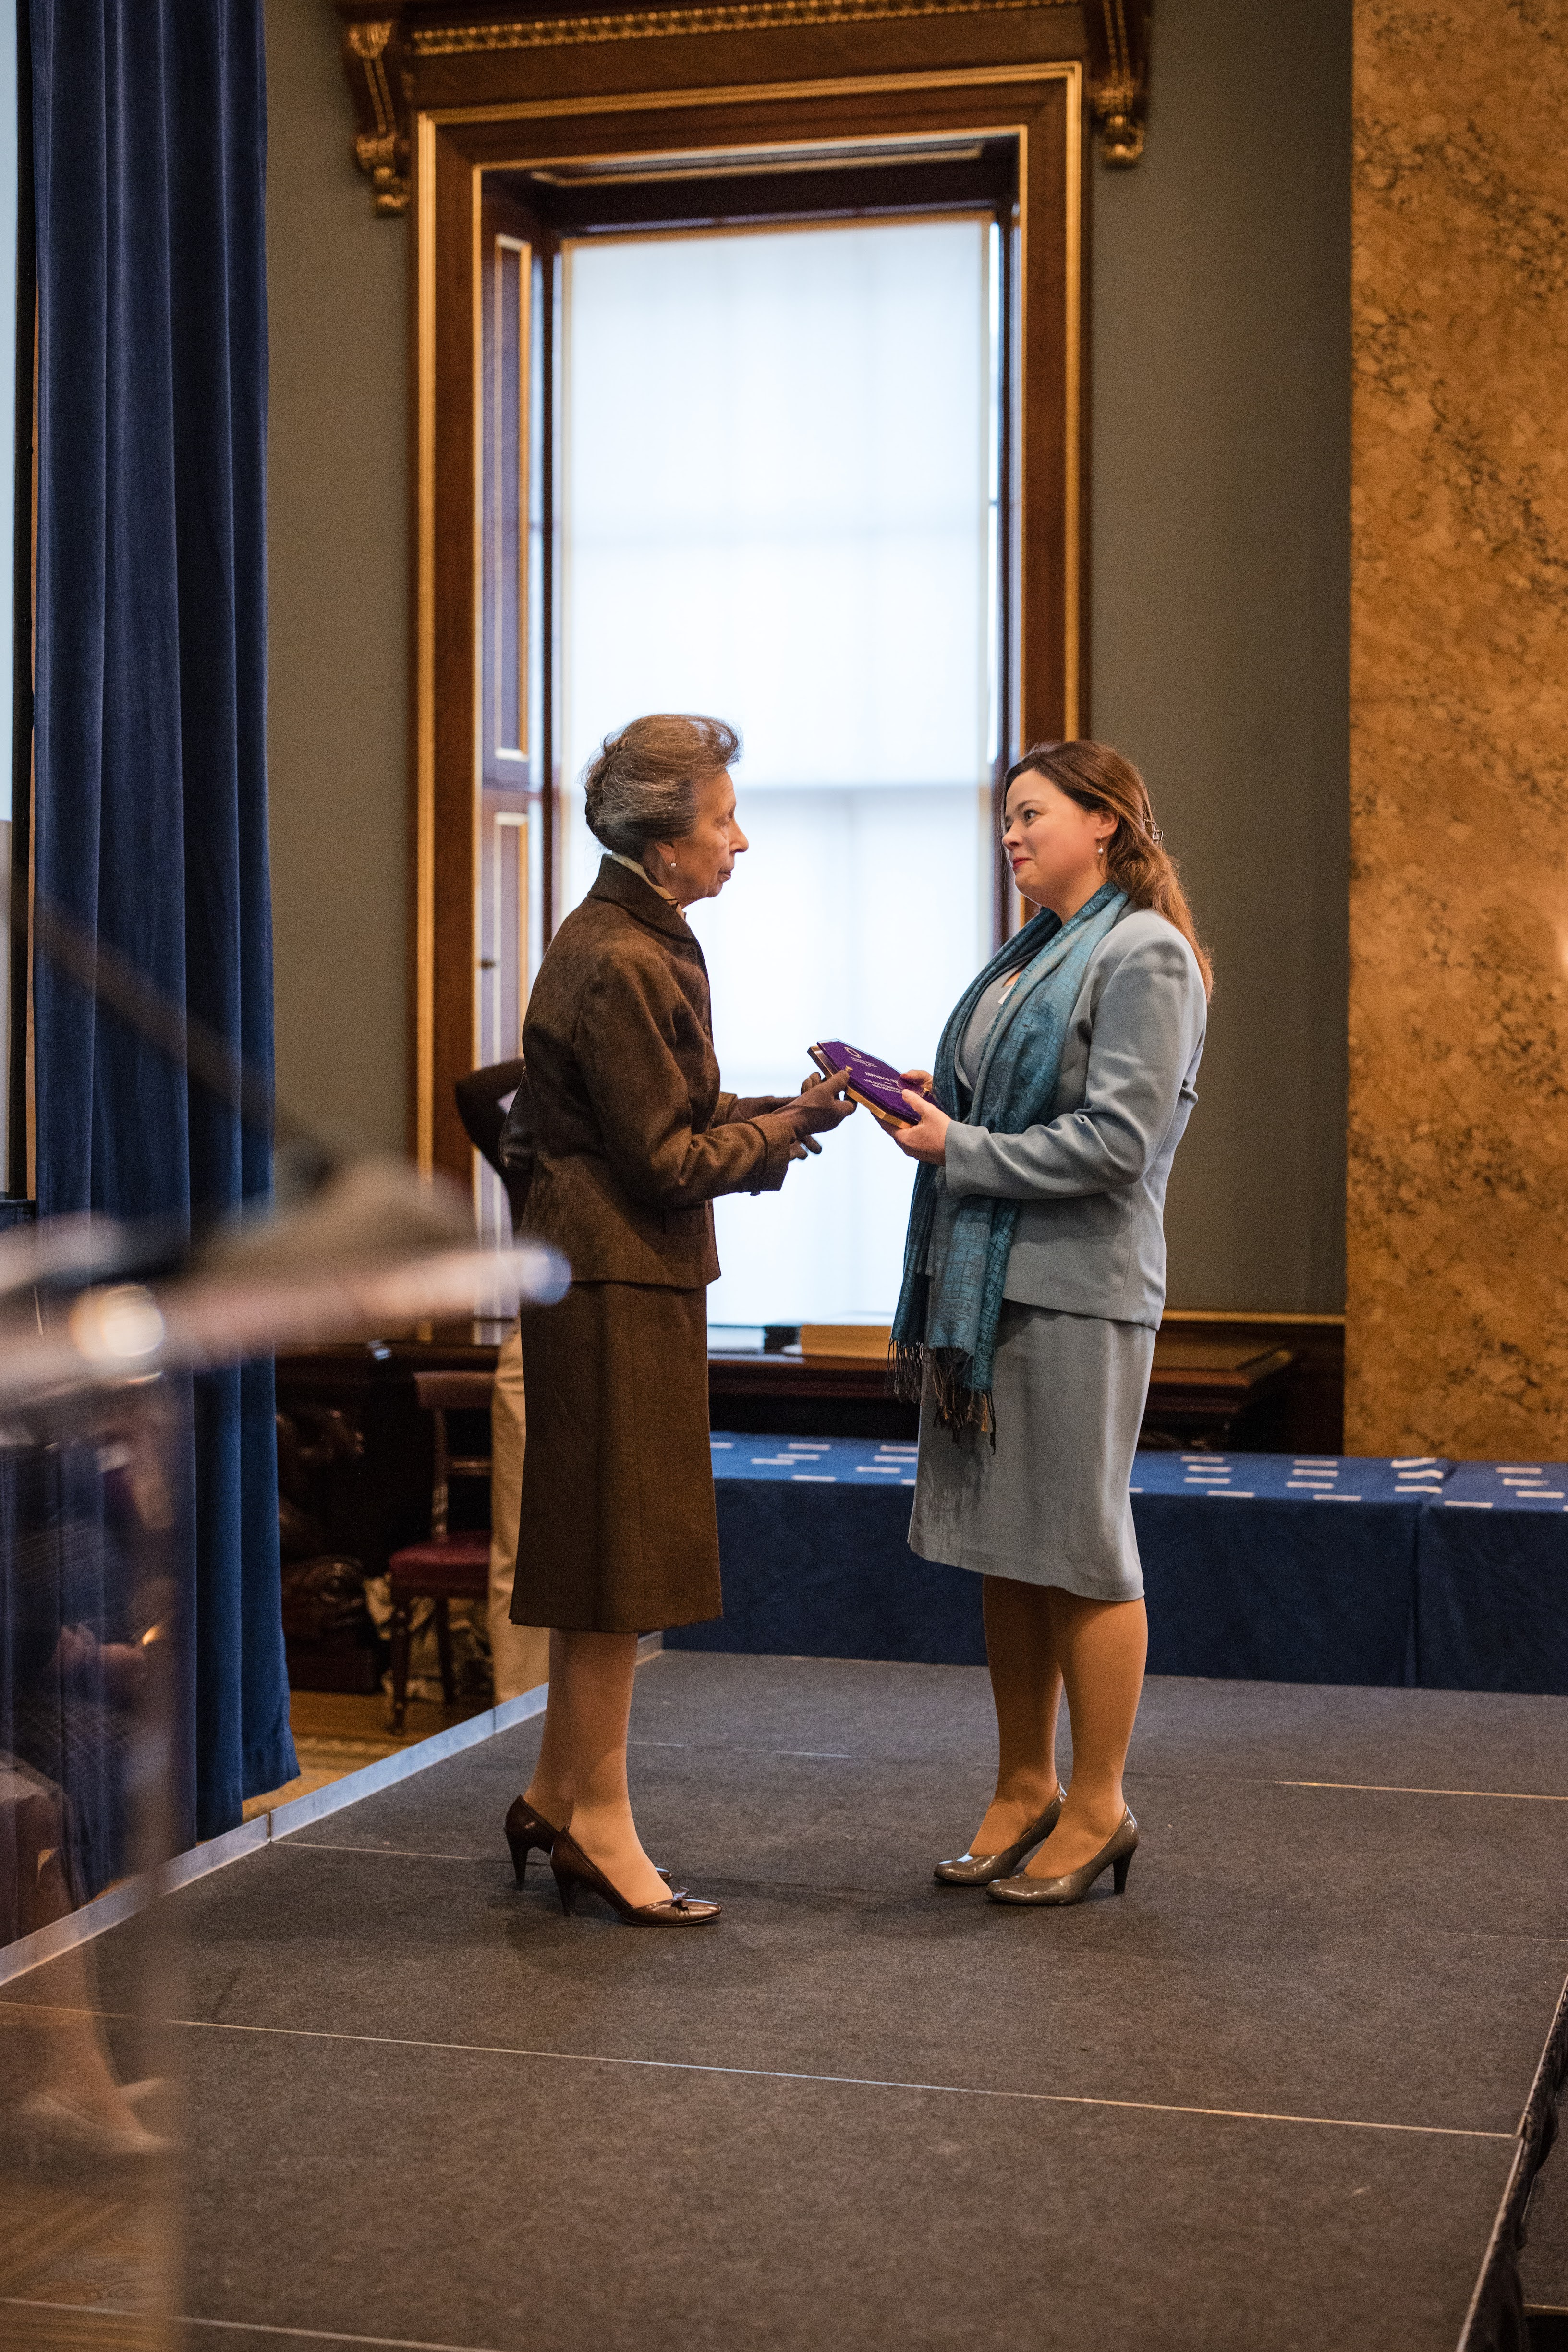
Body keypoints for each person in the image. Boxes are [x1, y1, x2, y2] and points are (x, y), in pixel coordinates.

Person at [498, 713, 855, 1926]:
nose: (739, 841)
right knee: (617, 1564)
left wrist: (792, 1113)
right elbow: (661, 1158)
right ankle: (596, 1825)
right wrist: (782, 1134)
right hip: (615, 1281)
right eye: (722, 819)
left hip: (613, 1276)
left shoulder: (624, 939)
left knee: (616, 1553)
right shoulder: (624, 957)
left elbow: (628, 1124)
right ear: (662, 840)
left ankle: (556, 1791)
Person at [890, 739, 1210, 1907]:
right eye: (1006, 818)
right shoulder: (1030, 956)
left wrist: (956, 1149)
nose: (1012, 835)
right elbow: (1005, 1113)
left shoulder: (1146, 953)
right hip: (993, 1290)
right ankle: (1023, 1785)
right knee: (1005, 1550)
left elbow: (1122, 1146)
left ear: (1106, 825)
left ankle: (1100, 1803)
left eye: (1032, 815)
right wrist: (933, 1116)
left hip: (1079, 1291)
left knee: (1079, 1551)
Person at [455, 1058, 547, 1705]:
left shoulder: (616, 1150)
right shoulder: (524, 1157)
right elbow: (471, 1091)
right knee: (518, 1541)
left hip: (602, 1351)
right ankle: (517, 1704)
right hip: (535, 1348)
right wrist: (553, 1044)